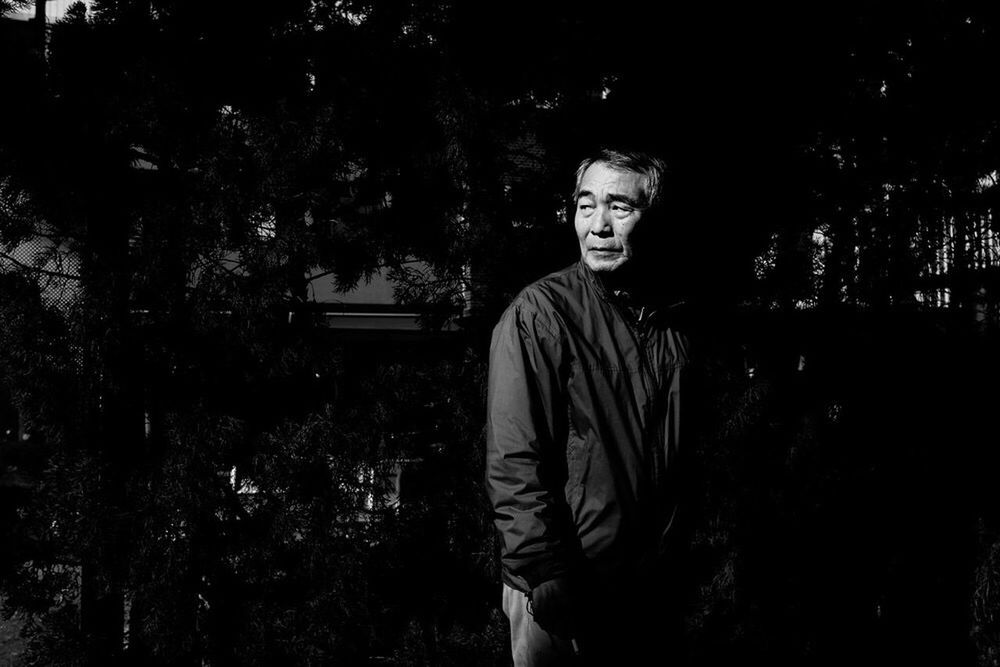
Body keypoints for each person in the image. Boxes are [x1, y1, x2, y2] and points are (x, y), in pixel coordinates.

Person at [486, 149, 692, 665]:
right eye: (585, 205)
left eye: (619, 207)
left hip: (643, 587)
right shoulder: (539, 314)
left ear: (653, 217)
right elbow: (514, 456)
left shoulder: (674, 323)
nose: (597, 225)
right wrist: (542, 571)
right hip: (561, 587)